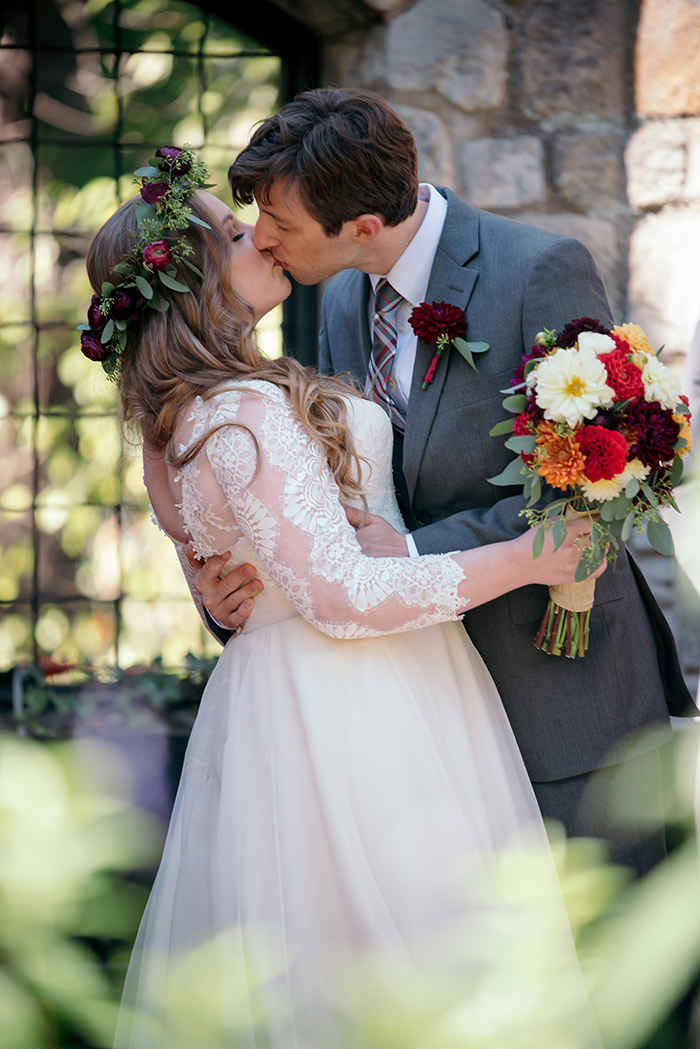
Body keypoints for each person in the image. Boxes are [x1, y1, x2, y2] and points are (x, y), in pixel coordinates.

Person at [83, 153, 604, 1047]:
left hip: (282, 701)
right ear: (201, 276)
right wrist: (532, 556)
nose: (268, 239)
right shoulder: (243, 408)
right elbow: (344, 595)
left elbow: (228, 563)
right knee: (406, 966)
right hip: (359, 700)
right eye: (242, 235)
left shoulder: (172, 419)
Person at [192, 87, 696, 879]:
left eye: (280, 224)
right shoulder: (342, 295)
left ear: (360, 226)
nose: (261, 238)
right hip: (419, 709)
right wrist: (248, 586)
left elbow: (591, 487)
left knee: (604, 965)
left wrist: (414, 550)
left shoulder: (538, 269)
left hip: (557, 688)